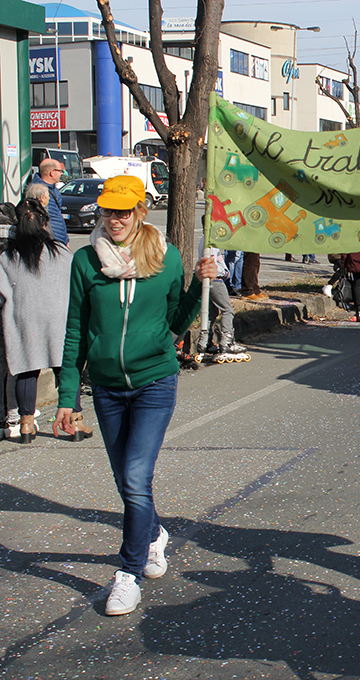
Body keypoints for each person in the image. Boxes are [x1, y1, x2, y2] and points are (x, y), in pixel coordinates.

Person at [53, 175, 217, 616]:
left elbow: (175, 322)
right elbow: (75, 331)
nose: (115, 219)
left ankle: (127, 572)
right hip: (107, 388)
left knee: (134, 479)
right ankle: (153, 534)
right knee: (127, 481)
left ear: (140, 211)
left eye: (123, 211)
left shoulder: (166, 258)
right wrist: (68, 396)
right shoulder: (85, 261)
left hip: (155, 383)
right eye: (108, 211)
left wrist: (200, 283)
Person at [0, 184, 91, 443]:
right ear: (44, 223)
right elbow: (74, 283)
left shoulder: (7, 257)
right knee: (66, 367)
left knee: (27, 369)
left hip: (24, 319)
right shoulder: (60, 251)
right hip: (58, 317)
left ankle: (27, 424)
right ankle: (75, 420)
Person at [196, 244, 246, 354]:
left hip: (208, 280)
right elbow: (212, 263)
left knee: (211, 312)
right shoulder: (210, 243)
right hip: (216, 280)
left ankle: (205, 341)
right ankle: (227, 341)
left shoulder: (205, 240)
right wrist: (225, 272)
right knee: (227, 310)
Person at [30, 158, 69, 245]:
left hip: (59, 239)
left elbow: (58, 216)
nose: (62, 173)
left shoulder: (54, 189)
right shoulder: (38, 191)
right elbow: (47, 219)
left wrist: (65, 239)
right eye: (60, 171)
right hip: (51, 241)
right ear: (52, 172)